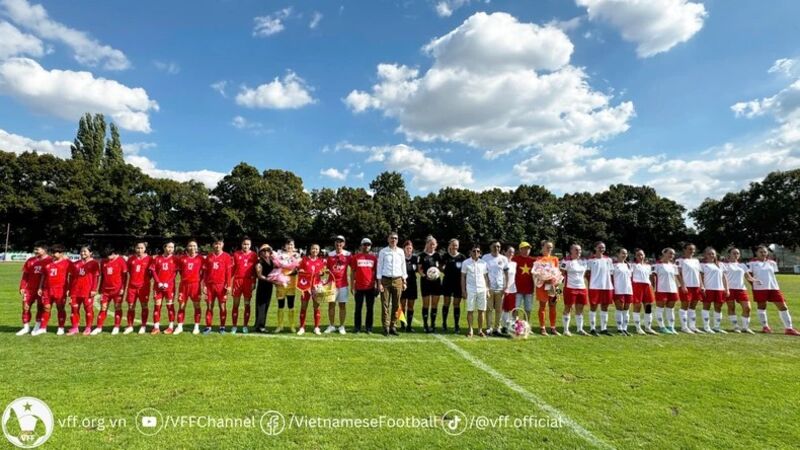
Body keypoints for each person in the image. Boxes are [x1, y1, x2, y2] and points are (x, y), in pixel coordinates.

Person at [748, 245, 799, 335]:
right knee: (762, 306)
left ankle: (789, 328)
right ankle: (765, 327)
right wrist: (754, 284)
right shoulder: (752, 263)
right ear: (756, 253)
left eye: (764, 252)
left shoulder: (772, 263)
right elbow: (749, 276)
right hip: (760, 288)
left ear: (767, 253)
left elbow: (773, 275)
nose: (763, 253)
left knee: (783, 306)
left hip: (774, 287)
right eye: (760, 252)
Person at [32, 244, 71, 336]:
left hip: (60, 290)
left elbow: (74, 275)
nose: (53, 254)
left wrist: (69, 288)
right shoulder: (48, 263)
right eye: (52, 252)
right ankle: (43, 328)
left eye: (56, 252)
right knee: (46, 308)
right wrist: (40, 287)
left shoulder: (67, 263)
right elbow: (43, 276)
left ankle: (61, 328)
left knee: (60, 308)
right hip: (47, 290)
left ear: (61, 253)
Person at [16, 242, 51, 336]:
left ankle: (37, 326)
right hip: (29, 289)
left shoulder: (50, 260)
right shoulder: (30, 260)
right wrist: (22, 286)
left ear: (44, 250)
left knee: (40, 308)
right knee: (25, 307)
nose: (35, 251)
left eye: (37, 249)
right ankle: (26, 327)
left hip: (42, 290)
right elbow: (25, 275)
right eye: (35, 249)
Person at [376, 232, 407, 336]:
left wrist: (404, 281)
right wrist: (379, 283)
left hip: (398, 280)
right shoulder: (383, 252)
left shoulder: (401, 252)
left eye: (395, 238)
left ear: (397, 240)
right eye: (392, 238)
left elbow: (403, 267)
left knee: (397, 305)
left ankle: (393, 326)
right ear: (388, 239)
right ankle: (386, 327)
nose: (394, 240)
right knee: (385, 305)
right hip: (385, 280)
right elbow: (379, 268)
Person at [91, 248, 127, 335]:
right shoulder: (103, 261)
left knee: (117, 308)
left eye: (109, 256)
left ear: (114, 253)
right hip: (105, 290)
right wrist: (100, 288)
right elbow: (102, 276)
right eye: (106, 256)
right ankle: (99, 327)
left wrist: (122, 288)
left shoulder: (121, 260)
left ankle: (116, 326)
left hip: (117, 290)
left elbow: (124, 276)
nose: (108, 258)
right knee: (103, 308)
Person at [202, 238, 233, 334]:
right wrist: (204, 285)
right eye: (215, 244)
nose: (217, 245)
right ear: (213, 245)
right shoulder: (209, 257)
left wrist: (229, 285)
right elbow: (205, 273)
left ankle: (222, 327)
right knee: (209, 306)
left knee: (222, 306)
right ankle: (208, 326)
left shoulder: (227, 256)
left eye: (219, 244)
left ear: (222, 244)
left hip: (222, 286)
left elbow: (229, 272)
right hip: (210, 286)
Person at [67, 246, 100, 336]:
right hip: (75, 291)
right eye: (81, 251)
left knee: (88, 309)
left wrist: (94, 289)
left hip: (87, 291)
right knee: (74, 309)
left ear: (90, 253)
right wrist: (69, 289)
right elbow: (71, 277)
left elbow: (95, 277)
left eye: (85, 251)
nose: (83, 253)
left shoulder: (94, 263)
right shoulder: (75, 264)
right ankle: (75, 327)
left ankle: (88, 327)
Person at [723, 247, 755, 334]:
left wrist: (755, 280)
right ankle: (735, 326)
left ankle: (745, 327)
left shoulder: (742, 265)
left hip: (741, 289)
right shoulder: (725, 265)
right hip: (730, 289)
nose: (736, 255)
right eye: (734, 253)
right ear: (729, 254)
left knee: (747, 308)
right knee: (731, 307)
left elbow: (748, 277)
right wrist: (725, 289)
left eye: (738, 253)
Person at [586, 241, 615, 336]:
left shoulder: (609, 260)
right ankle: (592, 328)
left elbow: (611, 274)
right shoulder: (590, 260)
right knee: (593, 307)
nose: (602, 249)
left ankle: (604, 328)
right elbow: (587, 274)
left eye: (603, 247)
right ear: (595, 248)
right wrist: (592, 282)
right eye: (600, 247)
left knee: (605, 307)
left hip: (607, 286)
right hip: (594, 287)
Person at [461, 244, 490, 337]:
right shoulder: (465, 263)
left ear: (480, 253)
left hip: (482, 289)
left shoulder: (483, 263)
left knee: (482, 310)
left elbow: (486, 277)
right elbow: (463, 277)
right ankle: (470, 330)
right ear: (470, 252)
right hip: (470, 289)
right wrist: (463, 291)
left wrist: (487, 290)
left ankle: (480, 330)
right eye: (474, 251)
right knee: (470, 310)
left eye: (478, 251)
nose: (476, 253)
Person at [297, 244, 326, 335]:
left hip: (316, 287)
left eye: (317, 249)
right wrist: (301, 271)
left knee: (316, 307)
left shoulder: (320, 261)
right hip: (305, 287)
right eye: (313, 248)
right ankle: (302, 327)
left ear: (319, 250)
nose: (315, 250)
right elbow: (299, 270)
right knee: (303, 306)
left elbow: (322, 273)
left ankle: (316, 327)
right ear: (310, 249)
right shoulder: (305, 259)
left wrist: (322, 273)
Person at [177, 240, 204, 335]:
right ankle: (179, 326)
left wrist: (198, 281)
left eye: (194, 246)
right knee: (181, 306)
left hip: (195, 285)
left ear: (197, 247)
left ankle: (196, 327)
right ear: (187, 247)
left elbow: (204, 272)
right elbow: (180, 271)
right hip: (183, 285)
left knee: (196, 306)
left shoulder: (201, 259)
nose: (192, 248)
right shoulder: (182, 259)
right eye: (190, 246)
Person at [231, 237, 258, 334]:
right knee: (236, 304)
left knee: (247, 304)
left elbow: (255, 271)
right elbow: (232, 270)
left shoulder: (254, 255)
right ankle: (234, 326)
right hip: (237, 281)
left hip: (248, 282)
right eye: (244, 244)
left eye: (248, 244)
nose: (246, 246)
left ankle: (245, 326)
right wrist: (228, 283)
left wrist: (254, 282)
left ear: (250, 245)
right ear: (241, 244)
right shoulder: (236, 254)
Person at [124, 242, 152, 335]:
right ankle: (130, 326)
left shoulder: (149, 259)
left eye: (141, 248)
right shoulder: (131, 259)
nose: (139, 250)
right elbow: (127, 272)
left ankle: (143, 326)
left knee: (144, 306)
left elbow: (151, 273)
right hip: (132, 287)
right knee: (131, 306)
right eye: (137, 248)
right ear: (135, 248)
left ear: (145, 249)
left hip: (144, 287)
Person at [350, 238, 378, 333]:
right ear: (361, 246)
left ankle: (368, 327)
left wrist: (377, 286)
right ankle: (357, 327)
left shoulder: (374, 258)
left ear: (370, 246)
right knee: (358, 308)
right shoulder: (356, 257)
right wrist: (352, 286)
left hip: (370, 287)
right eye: (365, 244)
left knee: (370, 309)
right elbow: (352, 272)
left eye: (368, 245)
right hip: (358, 287)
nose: (366, 246)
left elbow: (376, 273)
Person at [151, 241, 178, 335]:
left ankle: (171, 327)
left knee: (170, 306)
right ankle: (156, 327)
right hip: (158, 287)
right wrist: (158, 283)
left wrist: (167, 283)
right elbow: (153, 271)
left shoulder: (175, 259)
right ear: (164, 247)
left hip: (169, 287)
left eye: (173, 247)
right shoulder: (157, 258)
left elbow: (175, 273)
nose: (171, 249)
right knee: (157, 307)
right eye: (169, 247)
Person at [482, 241, 509, 336]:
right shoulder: (485, 257)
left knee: (499, 309)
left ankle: (497, 328)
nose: (496, 248)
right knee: (489, 309)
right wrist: (486, 287)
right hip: (489, 288)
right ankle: (489, 328)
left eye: (498, 246)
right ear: (490, 247)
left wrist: (506, 286)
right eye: (494, 246)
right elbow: (483, 273)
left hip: (500, 288)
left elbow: (506, 273)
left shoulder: (504, 258)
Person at [561, 244, 588, 337]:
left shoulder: (583, 261)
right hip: (570, 288)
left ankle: (580, 329)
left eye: (580, 250)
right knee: (568, 308)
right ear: (571, 250)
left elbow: (585, 275)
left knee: (580, 309)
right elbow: (561, 274)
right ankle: (566, 330)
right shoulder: (566, 261)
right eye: (576, 250)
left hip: (582, 288)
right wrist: (557, 290)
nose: (578, 252)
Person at [273, 239, 300, 333]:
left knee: (291, 305)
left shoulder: (297, 256)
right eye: (288, 245)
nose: (290, 246)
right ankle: (280, 326)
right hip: (281, 285)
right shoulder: (279, 256)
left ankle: (292, 326)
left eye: (292, 245)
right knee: (280, 305)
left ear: (294, 246)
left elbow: (298, 270)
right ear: (284, 246)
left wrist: (290, 271)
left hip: (291, 284)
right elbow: (276, 268)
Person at [699, 247, 729, 333]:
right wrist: (702, 286)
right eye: (709, 254)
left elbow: (724, 277)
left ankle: (717, 327)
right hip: (708, 289)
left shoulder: (721, 264)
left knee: (718, 307)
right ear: (705, 255)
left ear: (715, 255)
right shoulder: (702, 265)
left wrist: (727, 289)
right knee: (706, 307)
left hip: (720, 289)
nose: (711, 255)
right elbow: (700, 277)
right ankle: (706, 327)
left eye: (713, 253)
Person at [676, 243, 704, 333]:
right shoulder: (680, 260)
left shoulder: (696, 261)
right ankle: (684, 327)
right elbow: (678, 274)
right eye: (690, 249)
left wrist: (702, 285)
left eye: (693, 249)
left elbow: (699, 273)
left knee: (693, 306)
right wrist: (683, 285)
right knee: (685, 305)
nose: (692, 251)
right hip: (686, 286)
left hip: (696, 286)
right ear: (684, 250)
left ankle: (692, 326)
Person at [325, 236, 351, 334]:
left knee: (342, 305)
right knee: (331, 305)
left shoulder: (348, 254)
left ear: (344, 244)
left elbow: (353, 268)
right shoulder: (330, 254)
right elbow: (326, 269)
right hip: (331, 284)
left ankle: (341, 326)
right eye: (337, 242)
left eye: (341, 242)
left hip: (343, 284)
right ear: (334, 243)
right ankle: (331, 325)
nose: (338, 244)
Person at [533, 240, 559, 336]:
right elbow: (536, 273)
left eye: (551, 247)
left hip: (553, 285)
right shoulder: (538, 259)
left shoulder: (555, 259)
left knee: (553, 305)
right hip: (542, 285)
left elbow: (558, 273)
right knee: (542, 306)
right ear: (542, 247)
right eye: (547, 247)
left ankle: (553, 328)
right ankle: (542, 328)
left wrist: (556, 284)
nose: (549, 249)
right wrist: (543, 277)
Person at [654, 248, 682, 335]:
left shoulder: (673, 266)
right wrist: (654, 287)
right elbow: (653, 276)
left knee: (671, 309)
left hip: (673, 289)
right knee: (660, 308)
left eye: (673, 254)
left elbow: (677, 276)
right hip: (661, 289)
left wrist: (682, 285)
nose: (672, 256)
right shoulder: (657, 265)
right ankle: (662, 327)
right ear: (664, 253)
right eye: (670, 253)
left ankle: (671, 327)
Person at [440, 239, 465, 333]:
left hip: (458, 284)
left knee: (456, 304)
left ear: (458, 246)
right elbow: (440, 267)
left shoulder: (462, 257)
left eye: (456, 245)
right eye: (453, 245)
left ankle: (456, 325)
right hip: (447, 283)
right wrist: (444, 271)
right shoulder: (445, 256)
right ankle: (444, 324)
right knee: (446, 303)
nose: (454, 247)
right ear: (450, 245)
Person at [418, 236, 442, 333]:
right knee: (426, 304)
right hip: (426, 282)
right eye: (430, 244)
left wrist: (438, 272)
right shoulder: (422, 255)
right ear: (427, 244)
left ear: (436, 245)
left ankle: (433, 324)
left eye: (434, 244)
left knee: (434, 304)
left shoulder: (438, 256)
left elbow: (441, 267)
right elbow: (419, 269)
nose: (432, 246)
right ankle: (425, 325)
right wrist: (425, 276)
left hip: (436, 282)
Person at [631, 249, 658, 335]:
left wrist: (652, 287)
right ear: (635, 256)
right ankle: (638, 328)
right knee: (637, 306)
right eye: (638, 255)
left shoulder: (648, 266)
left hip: (647, 286)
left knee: (648, 307)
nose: (640, 256)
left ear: (644, 255)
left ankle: (648, 327)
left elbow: (651, 277)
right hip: (637, 286)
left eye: (642, 255)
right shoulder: (633, 266)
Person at [253, 244, 275, 333]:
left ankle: (261, 325)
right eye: (264, 251)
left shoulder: (272, 261)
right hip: (262, 285)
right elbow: (259, 275)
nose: (266, 253)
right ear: (260, 253)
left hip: (269, 286)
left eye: (268, 251)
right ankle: (259, 326)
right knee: (261, 306)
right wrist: (269, 279)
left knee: (266, 305)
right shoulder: (259, 262)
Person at [612, 248, 633, 336]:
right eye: (622, 253)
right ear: (618, 254)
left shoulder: (628, 265)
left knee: (626, 309)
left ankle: (625, 328)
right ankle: (619, 329)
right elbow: (610, 277)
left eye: (626, 253)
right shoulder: (614, 265)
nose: (624, 255)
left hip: (628, 289)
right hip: (618, 289)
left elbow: (630, 278)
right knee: (619, 308)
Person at [512, 241, 535, 322]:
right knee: (515, 308)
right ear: (520, 249)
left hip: (529, 289)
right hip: (517, 289)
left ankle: (526, 325)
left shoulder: (533, 261)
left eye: (528, 248)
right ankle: (515, 324)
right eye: (525, 248)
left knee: (528, 309)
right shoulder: (514, 259)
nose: (527, 250)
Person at [401, 240, 419, 332]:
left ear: (412, 249)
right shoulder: (401, 258)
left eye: (410, 248)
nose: (409, 249)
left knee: (411, 306)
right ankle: (402, 325)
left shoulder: (415, 258)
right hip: (402, 283)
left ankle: (409, 326)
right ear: (404, 249)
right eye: (407, 248)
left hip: (412, 284)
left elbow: (418, 270)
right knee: (402, 305)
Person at [501, 246, 517, 334]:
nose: (511, 254)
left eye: (513, 252)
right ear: (505, 252)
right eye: (510, 252)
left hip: (512, 289)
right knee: (503, 308)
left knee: (512, 309)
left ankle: (511, 326)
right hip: (502, 288)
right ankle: (502, 326)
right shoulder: (501, 262)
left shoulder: (514, 264)